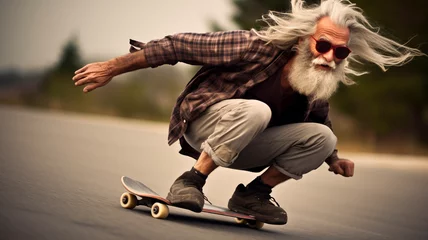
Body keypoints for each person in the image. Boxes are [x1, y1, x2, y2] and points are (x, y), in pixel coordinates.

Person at [72, 0, 424, 225]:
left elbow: (318, 124)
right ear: (304, 39)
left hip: (246, 143)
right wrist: (112, 67)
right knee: (257, 111)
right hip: (204, 126)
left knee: (324, 137)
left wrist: (332, 158)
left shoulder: (318, 81)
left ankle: (252, 195)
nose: (330, 57)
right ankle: (191, 181)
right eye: (324, 45)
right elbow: (177, 45)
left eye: (341, 53)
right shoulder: (254, 46)